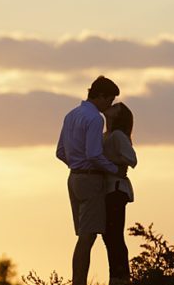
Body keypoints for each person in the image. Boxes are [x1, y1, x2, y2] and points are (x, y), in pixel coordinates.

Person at [56, 76, 119, 285]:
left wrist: (76, 165)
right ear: (100, 96)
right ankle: (79, 282)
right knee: (87, 236)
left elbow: (60, 152)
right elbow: (94, 154)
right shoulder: (95, 119)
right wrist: (114, 170)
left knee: (84, 235)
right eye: (109, 100)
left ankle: (78, 281)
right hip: (90, 180)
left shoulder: (71, 115)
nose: (109, 105)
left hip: (73, 178)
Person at [102, 102, 137, 285]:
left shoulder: (117, 136)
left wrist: (110, 162)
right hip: (108, 190)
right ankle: (116, 276)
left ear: (119, 116)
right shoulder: (106, 135)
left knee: (114, 234)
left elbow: (132, 159)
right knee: (109, 235)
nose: (111, 107)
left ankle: (121, 277)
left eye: (116, 108)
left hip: (116, 189)